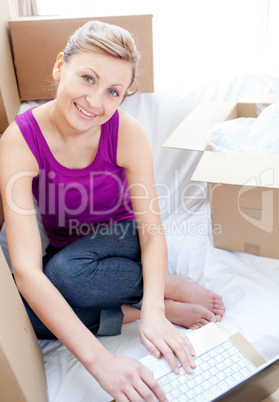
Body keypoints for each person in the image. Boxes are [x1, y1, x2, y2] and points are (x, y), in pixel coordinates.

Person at [0, 20, 225, 401]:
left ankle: (157, 292)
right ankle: (134, 309)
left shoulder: (127, 133)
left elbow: (151, 231)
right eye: (88, 78)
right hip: (70, 250)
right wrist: (101, 361)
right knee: (27, 315)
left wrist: (154, 307)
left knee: (64, 274)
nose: (95, 102)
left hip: (123, 239)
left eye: (113, 92)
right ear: (60, 67)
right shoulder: (20, 139)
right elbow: (24, 268)